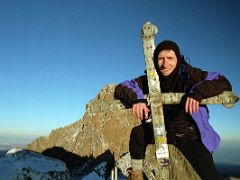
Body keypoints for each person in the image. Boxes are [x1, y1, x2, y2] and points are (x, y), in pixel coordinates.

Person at [114, 40, 232, 180]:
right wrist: (136, 99)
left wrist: (197, 93)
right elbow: (122, 87)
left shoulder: (190, 75)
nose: (165, 64)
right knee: (138, 133)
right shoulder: (150, 79)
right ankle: (137, 174)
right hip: (163, 131)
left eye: (170, 58)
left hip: (190, 135)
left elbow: (222, 81)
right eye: (160, 59)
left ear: (178, 58)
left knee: (209, 176)